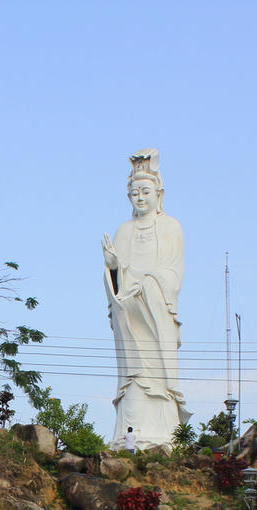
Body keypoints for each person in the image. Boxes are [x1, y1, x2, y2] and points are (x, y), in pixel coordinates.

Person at [102, 148, 190, 446]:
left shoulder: (170, 226)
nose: (139, 198)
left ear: (158, 194)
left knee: (159, 381)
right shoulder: (123, 231)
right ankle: (129, 436)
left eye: (145, 191)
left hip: (155, 312)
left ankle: (166, 434)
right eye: (134, 193)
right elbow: (117, 282)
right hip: (130, 316)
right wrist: (114, 268)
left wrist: (149, 284)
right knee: (134, 381)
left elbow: (173, 272)